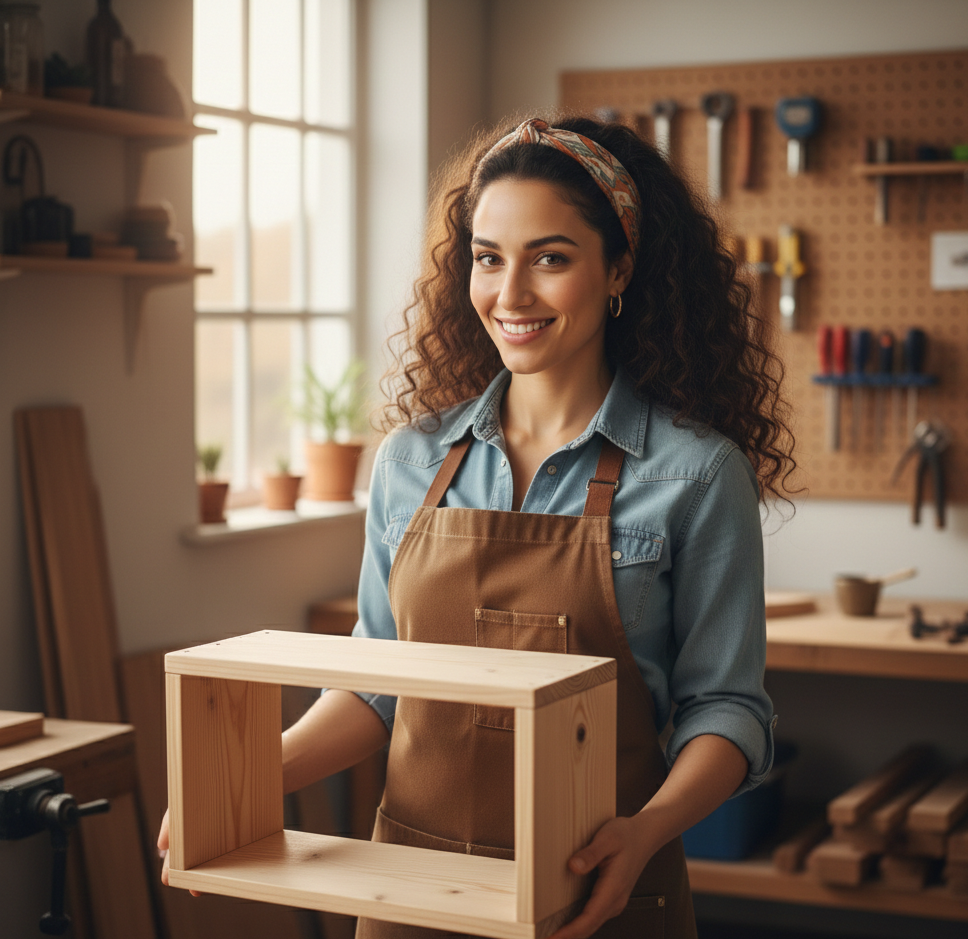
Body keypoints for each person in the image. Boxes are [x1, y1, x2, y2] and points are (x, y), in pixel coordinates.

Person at [159, 115, 795, 939]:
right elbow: (375, 684)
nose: (511, 294)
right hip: (410, 894)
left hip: (600, 893)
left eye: (551, 258)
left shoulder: (695, 474)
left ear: (620, 269)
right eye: (489, 258)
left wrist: (643, 834)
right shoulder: (411, 461)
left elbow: (728, 710)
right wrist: (248, 779)